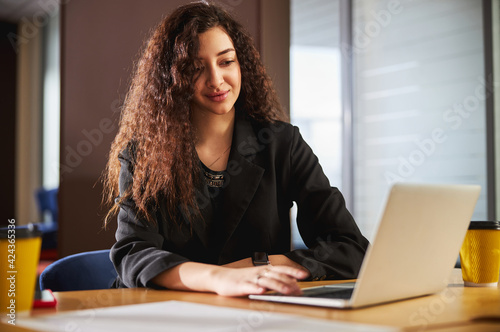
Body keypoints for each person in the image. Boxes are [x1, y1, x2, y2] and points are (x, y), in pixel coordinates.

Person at [103, 1, 369, 297]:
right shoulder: (142, 155)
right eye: (195, 68)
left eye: (226, 61)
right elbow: (132, 254)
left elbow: (351, 248)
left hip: (258, 314)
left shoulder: (282, 144)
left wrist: (260, 267)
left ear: (242, 63)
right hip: (168, 315)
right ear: (172, 78)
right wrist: (217, 278)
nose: (216, 80)